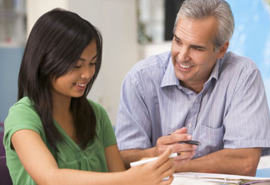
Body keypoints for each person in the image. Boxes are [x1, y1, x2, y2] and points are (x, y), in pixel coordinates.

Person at [3, 8, 174, 185]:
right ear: (45, 62)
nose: (87, 74)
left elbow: (119, 175)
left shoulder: (97, 114)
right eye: (77, 65)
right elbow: (50, 178)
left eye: (92, 63)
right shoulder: (23, 116)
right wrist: (130, 178)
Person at [115, 0, 270, 176]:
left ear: (221, 50)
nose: (182, 56)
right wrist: (155, 153)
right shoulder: (140, 79)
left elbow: (244, 162)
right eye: (178, 41)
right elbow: (121, 159)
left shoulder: (243, 75)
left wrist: (166, 166)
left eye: (196, 48)